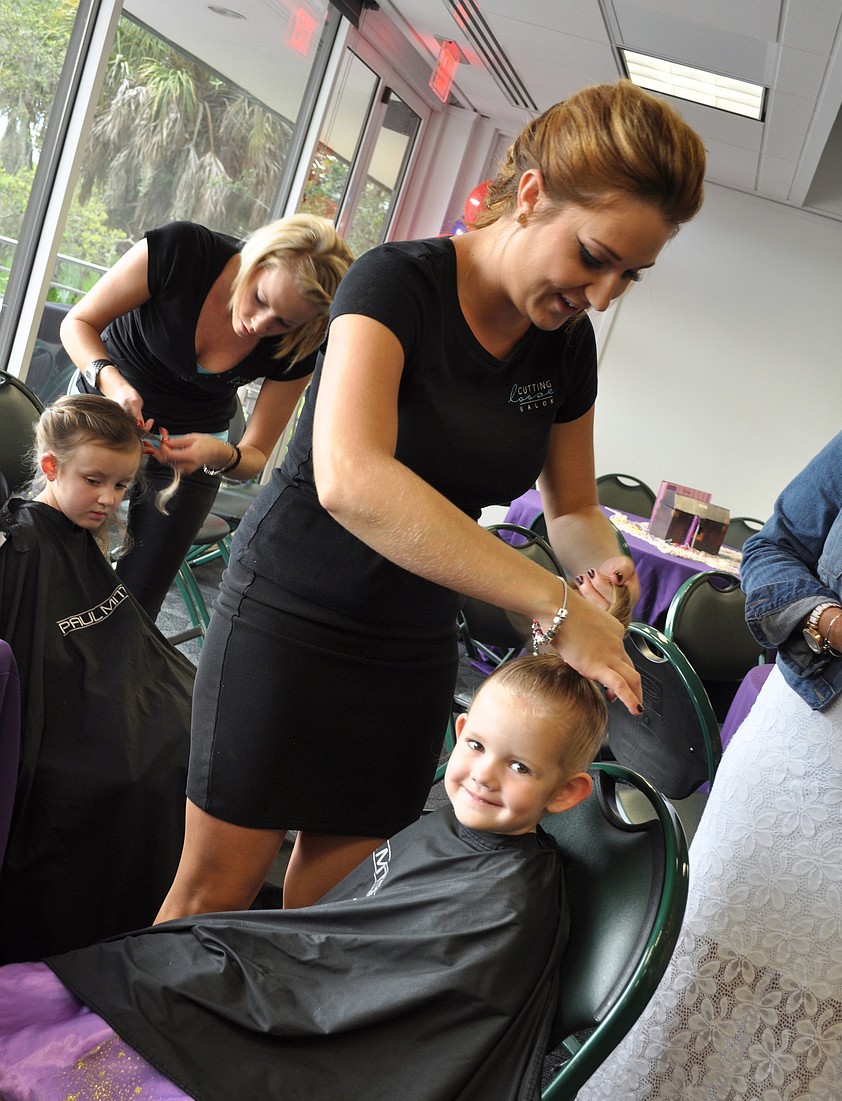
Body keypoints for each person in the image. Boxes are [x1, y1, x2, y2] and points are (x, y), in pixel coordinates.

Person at [153, 79, 706, 923]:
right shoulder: (394, 284)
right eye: (594, 257)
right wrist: (558, 607)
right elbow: (352, 478)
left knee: (335, 911)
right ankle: (128, 1059)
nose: (601, 295)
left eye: (630, 275)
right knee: (213, 894)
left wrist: (602, 575)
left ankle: (274, 1054)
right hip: (291, 616)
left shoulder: (565, 349)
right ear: (531, 196)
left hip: (411, 642)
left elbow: (572, 511)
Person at [0, 655, 608, 1101]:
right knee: (156, 965)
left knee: (160, 993)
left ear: (566, 792)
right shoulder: (449, 834)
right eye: (477, 745)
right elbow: (353, 936)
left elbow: (419, 1024)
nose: (483, 775)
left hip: (342, 1058)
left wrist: (276, 983)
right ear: (459, 732)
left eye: (518, 766)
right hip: (315, 985)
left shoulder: (506, 906)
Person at [530, 421, 842, 1101]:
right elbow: (775, 550)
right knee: (705, 967)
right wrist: (828, 620)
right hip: (805, 746)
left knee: (830, 1040)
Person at [60, 214, 354, 619]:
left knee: (136, 606)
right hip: (103, 416)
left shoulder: (301, 344)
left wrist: (218, 453)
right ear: (255, 261)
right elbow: (77, 323)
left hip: (188, 454)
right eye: (260, 299)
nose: (258, 325)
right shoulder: (183, 251)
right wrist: (115, 385)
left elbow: (253, 456)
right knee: (50, 562)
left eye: (283, 323)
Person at [0, 396, 195, 964]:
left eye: (122, 486)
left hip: (113, 686)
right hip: (57, 723)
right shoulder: (21, 546)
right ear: (51, 467)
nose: (109, 501)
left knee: (195, 722)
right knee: (140, 775)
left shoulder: (73, 535)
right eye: (95, 481)